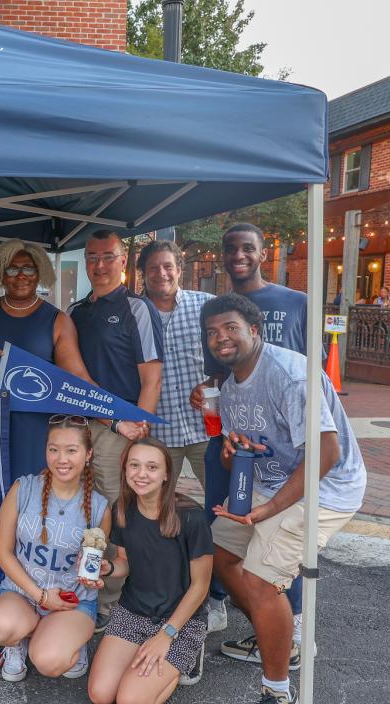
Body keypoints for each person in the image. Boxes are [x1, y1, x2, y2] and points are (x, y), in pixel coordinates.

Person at [202, 293, 365, 704]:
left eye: (231, 328)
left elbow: (326, 453)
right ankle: (272, 633)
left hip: (325, 488)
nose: (221, 338)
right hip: (272, 484)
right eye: (213, 332)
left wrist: (269, 511)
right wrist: (233, 451)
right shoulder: (233, 385)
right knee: (215, 550)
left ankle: (280, 696)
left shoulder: (290, 374)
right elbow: (245, 451)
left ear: (255, 330)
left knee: (259, 579)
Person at [190, 223, 311, 638]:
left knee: (282, 536)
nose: (238, 255)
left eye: (247, 248)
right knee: (222, 519)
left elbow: (317, 373)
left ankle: (291, 622)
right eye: (230, 249)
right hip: (235, 435)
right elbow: (217, 373)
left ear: (263, 253)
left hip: (286, 444)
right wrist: (205, 391)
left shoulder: (296, 302)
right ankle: (221, 602)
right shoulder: (217, 307)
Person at [67, 229, 163, 632]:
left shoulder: (136, 308)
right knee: (88, 512)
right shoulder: (75, 312)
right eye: (92, 257)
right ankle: (93, 590)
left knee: (112, 515)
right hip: (80, 428)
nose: (100, 265)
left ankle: (108, 602)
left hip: (118, 432)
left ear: (123, 261)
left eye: (108, 256)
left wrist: (137, 432)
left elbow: (152, 378)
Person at [87, 438, 213, 704]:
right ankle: (146, 662)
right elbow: (124, 564)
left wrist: (166, 635)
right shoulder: (123, 508)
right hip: (133, 610)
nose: (141, 474)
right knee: (100, 694)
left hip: (179, 620)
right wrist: (107, 568)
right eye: (135, 465)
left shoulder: (191, 517)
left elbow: (201, 586)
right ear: (125, 469)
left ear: (167, 473)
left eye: (152, 467)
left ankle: (186, 657)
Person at [0, 415, 110, 682]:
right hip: (22, 593)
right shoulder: (23, 488)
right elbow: (2, 552)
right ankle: (18, 641)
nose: (61, 459)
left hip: (70, 602)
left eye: (71, 450)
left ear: (88, 454)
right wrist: (40, 596)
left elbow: (92, 565)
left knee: (50, 663)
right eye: (54, 449)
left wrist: (99, 572)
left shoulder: (98, 507)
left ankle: (64, 638)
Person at [0, 239, 95, 480]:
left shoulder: (57, 320)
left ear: (40, 274)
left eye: (29, 269)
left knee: (33, 495)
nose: (21, 276)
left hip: (36, 429)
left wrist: (117, 417)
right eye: (12, 269)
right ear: (1, 275)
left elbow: (77, 379)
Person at [137, 240, 213, 490]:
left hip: (206, 428)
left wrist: (212, 381)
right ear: (143, 273)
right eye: (153, 268)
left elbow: (232, 356)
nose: (161, 273)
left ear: (179, 269)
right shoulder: (132, 314)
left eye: (168, 266)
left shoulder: (206, 306)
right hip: (159, 433)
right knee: (157, 505)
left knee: (220, 501)